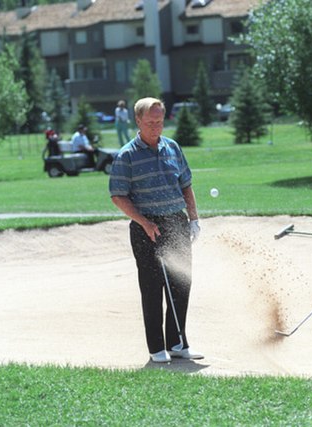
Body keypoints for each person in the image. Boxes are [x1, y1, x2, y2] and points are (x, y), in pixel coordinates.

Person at [109, 97, 203, 363]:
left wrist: (193, 219)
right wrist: (144, 222)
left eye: (160, 121)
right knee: (152, 288)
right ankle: (156, 348)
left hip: (176, 222)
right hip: (146, 227)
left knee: (181, 283)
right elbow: (118, 196)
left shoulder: (172, 147)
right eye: (150, 122)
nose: (156, 127)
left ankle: (178, 343)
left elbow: (186, 184)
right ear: (138, 121)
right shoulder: (127, 155)